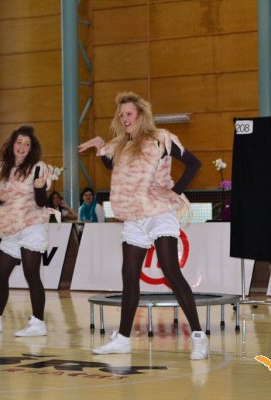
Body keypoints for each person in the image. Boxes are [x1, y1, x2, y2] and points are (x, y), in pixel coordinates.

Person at [78, 91, 208, 359]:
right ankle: (123, 338)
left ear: (140, 115)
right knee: (129, 276)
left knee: (170, 270)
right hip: (134, 217)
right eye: (121, 115)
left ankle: (198, 336)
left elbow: (194, 164)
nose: (124, 119)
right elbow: (108, 163)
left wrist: (174, 192)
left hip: (159, 212)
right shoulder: (120, 145)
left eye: (129, 114)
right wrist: (101, 144)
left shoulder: (161, 139)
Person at [0, 125, 52, 337]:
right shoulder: (1, 167)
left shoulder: (38, 168)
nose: (22, 147)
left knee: (31, 273)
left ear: (31, 148)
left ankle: (38, 323)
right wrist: (0, 197)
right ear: (13, 144)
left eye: (27, 144)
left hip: (31, 225)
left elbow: (42, 202)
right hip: (9, 228)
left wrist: (40, 187)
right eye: (19, 142)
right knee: (0, 274)